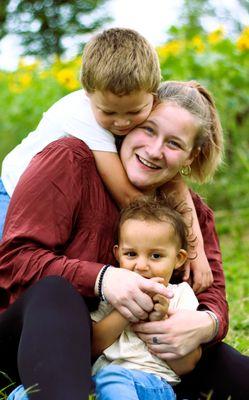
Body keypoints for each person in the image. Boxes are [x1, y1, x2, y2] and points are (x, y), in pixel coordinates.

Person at [0, 80, 248, 399]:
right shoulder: (70, 160)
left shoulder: (191, 212)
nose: (154, 150)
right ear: (126, 126)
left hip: (136, 355)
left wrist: (205, 324)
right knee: (56, 294)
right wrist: (104, 278)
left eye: (173, 144)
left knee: (231, 366)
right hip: (37, 336)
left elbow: (212, 293)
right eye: (148, 130)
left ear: (190, 156)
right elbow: (16, 259)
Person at [0, 28, 212, 294]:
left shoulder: (128, 110)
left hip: (63, 200)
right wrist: (172, 231)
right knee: (10, 259)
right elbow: (128, 197)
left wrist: (198, 249)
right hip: (11, 190)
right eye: (109, 112)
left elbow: (176, 183)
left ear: (153, 94)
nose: (121, 123)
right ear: (88, 94)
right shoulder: (82, 116)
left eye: (135, 112)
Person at [92, 197, 200, 400]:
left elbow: (187, 365)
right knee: (28, 391)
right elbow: (93, 346)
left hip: (153, 384)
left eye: (156, 256)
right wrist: (128, 309)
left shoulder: (180, 296)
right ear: (117, 254)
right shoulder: (114, 292)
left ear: (178, 258)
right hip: (101, 380)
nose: (141, 265)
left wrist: (161, 320)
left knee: (113, 379)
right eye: (131, 254)